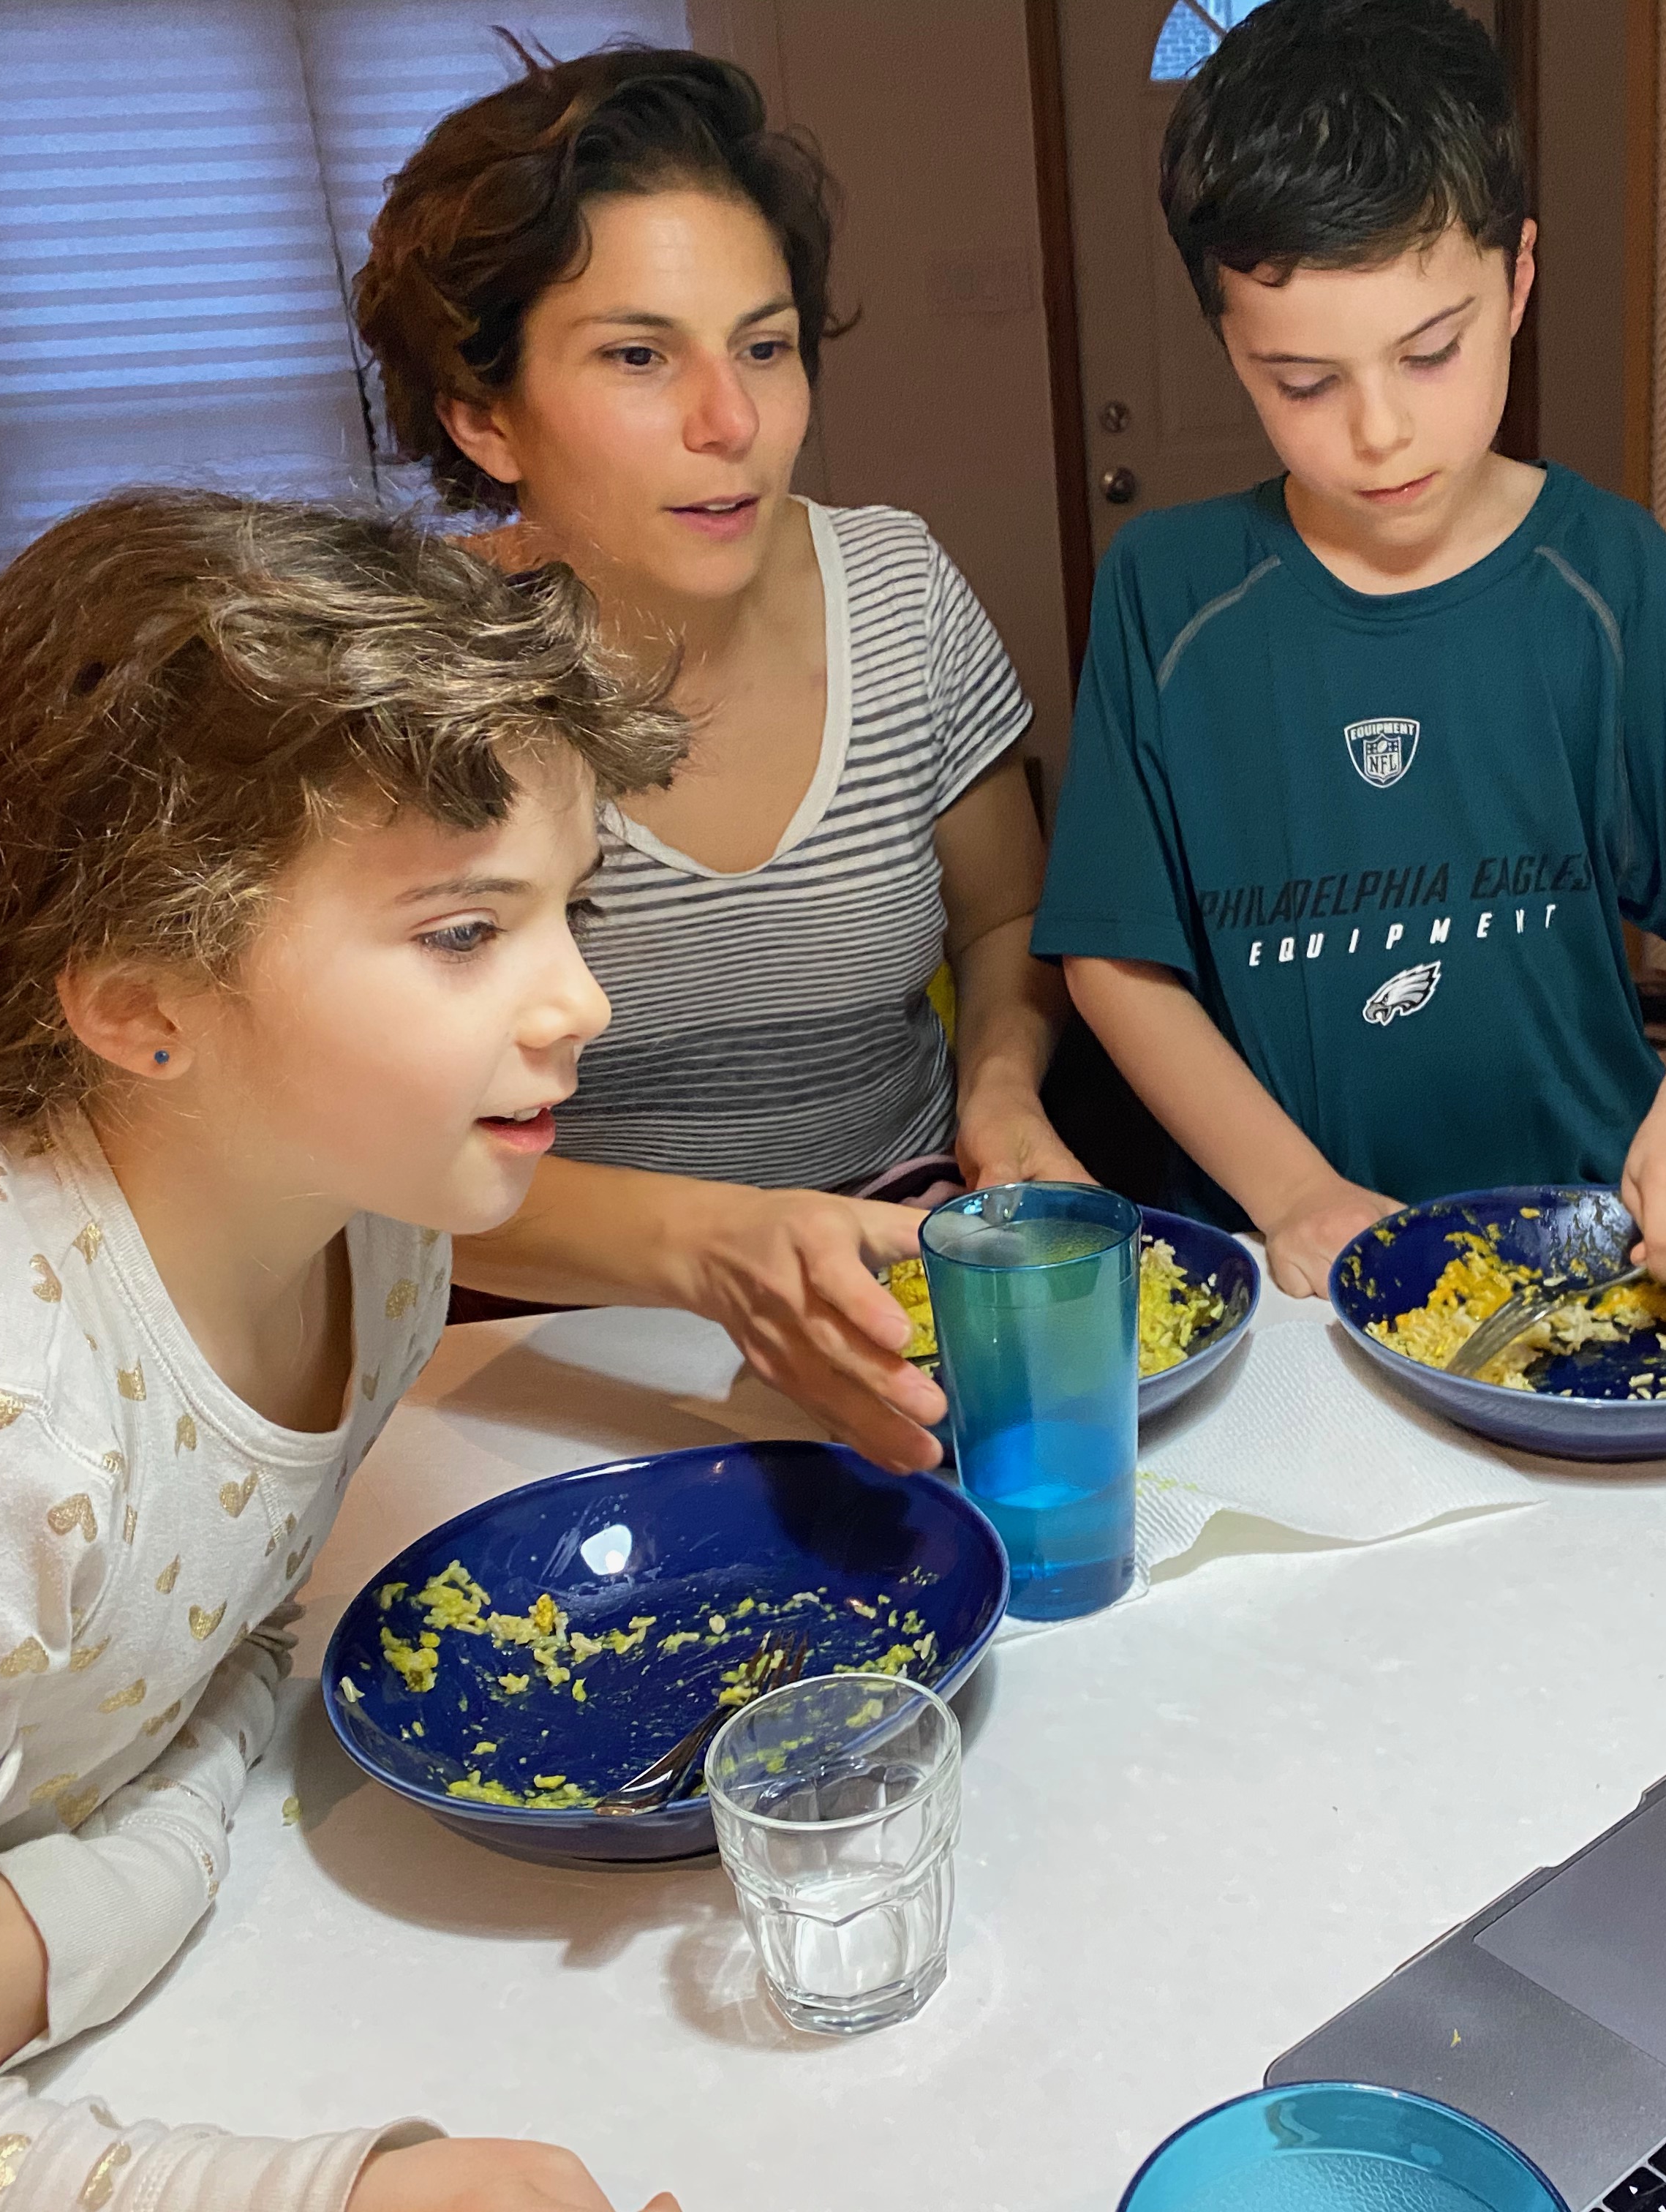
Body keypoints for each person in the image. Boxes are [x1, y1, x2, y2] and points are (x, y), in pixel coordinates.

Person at [0, 492, 687, 2212]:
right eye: (465, 931)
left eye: (568, 909)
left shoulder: (378, 1246)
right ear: (143, 1003)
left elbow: (228, 1644)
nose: (578, 1001)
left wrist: (92, 1894)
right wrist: (345, 2195)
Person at [1033, 0, 1666, 1301]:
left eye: (1431, 354)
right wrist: (1297, 1196)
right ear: (1227, 344)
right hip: (1287, 1261)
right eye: (1303, 383)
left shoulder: (1606, 576)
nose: (1379, 433)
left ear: (1519, 276)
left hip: (1589, 1245)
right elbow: (1114, 959)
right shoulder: (1168, 592)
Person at [355, 46, 1083, 1475]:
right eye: (640, 354)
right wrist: (724, 1248)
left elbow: (1007, 919)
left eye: (764, 345)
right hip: (562, 1354)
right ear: (482, 414)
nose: (733, 424)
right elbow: (382, 1168)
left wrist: (1004, 1089)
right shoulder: (414, 688)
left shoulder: (903, 588)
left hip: (903, 1294)